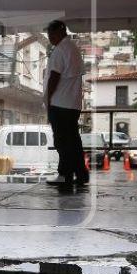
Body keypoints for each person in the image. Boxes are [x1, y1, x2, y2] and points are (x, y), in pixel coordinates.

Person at [43, 20, 88, 189]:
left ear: (59, 32)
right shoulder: (74, 49)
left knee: (62, 141)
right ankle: (81, 173)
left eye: (51, 35)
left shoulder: (60, 50)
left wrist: (48, 99)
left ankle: (65, 175)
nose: (50, 38)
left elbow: (54, 77)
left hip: (60, 102)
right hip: (73, 103)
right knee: (73, 141)